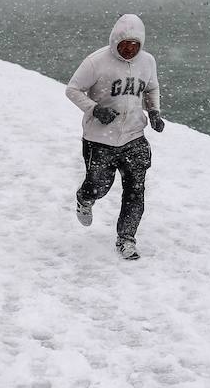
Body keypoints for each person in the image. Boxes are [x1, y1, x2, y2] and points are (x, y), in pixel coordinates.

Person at [65, 13, 165, 260]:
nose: (130, 50)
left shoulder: (147, 62)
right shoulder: (95, 62)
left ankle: (126, 239)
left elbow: (151, 87)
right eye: (124, 45)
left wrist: (153, 112)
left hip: (134, 137)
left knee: (135, 190)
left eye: (135, 46)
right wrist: (95, 108)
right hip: (100, 140)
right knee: (99, 186)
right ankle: (85, 197)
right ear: (114, 42)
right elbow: (72, 89)